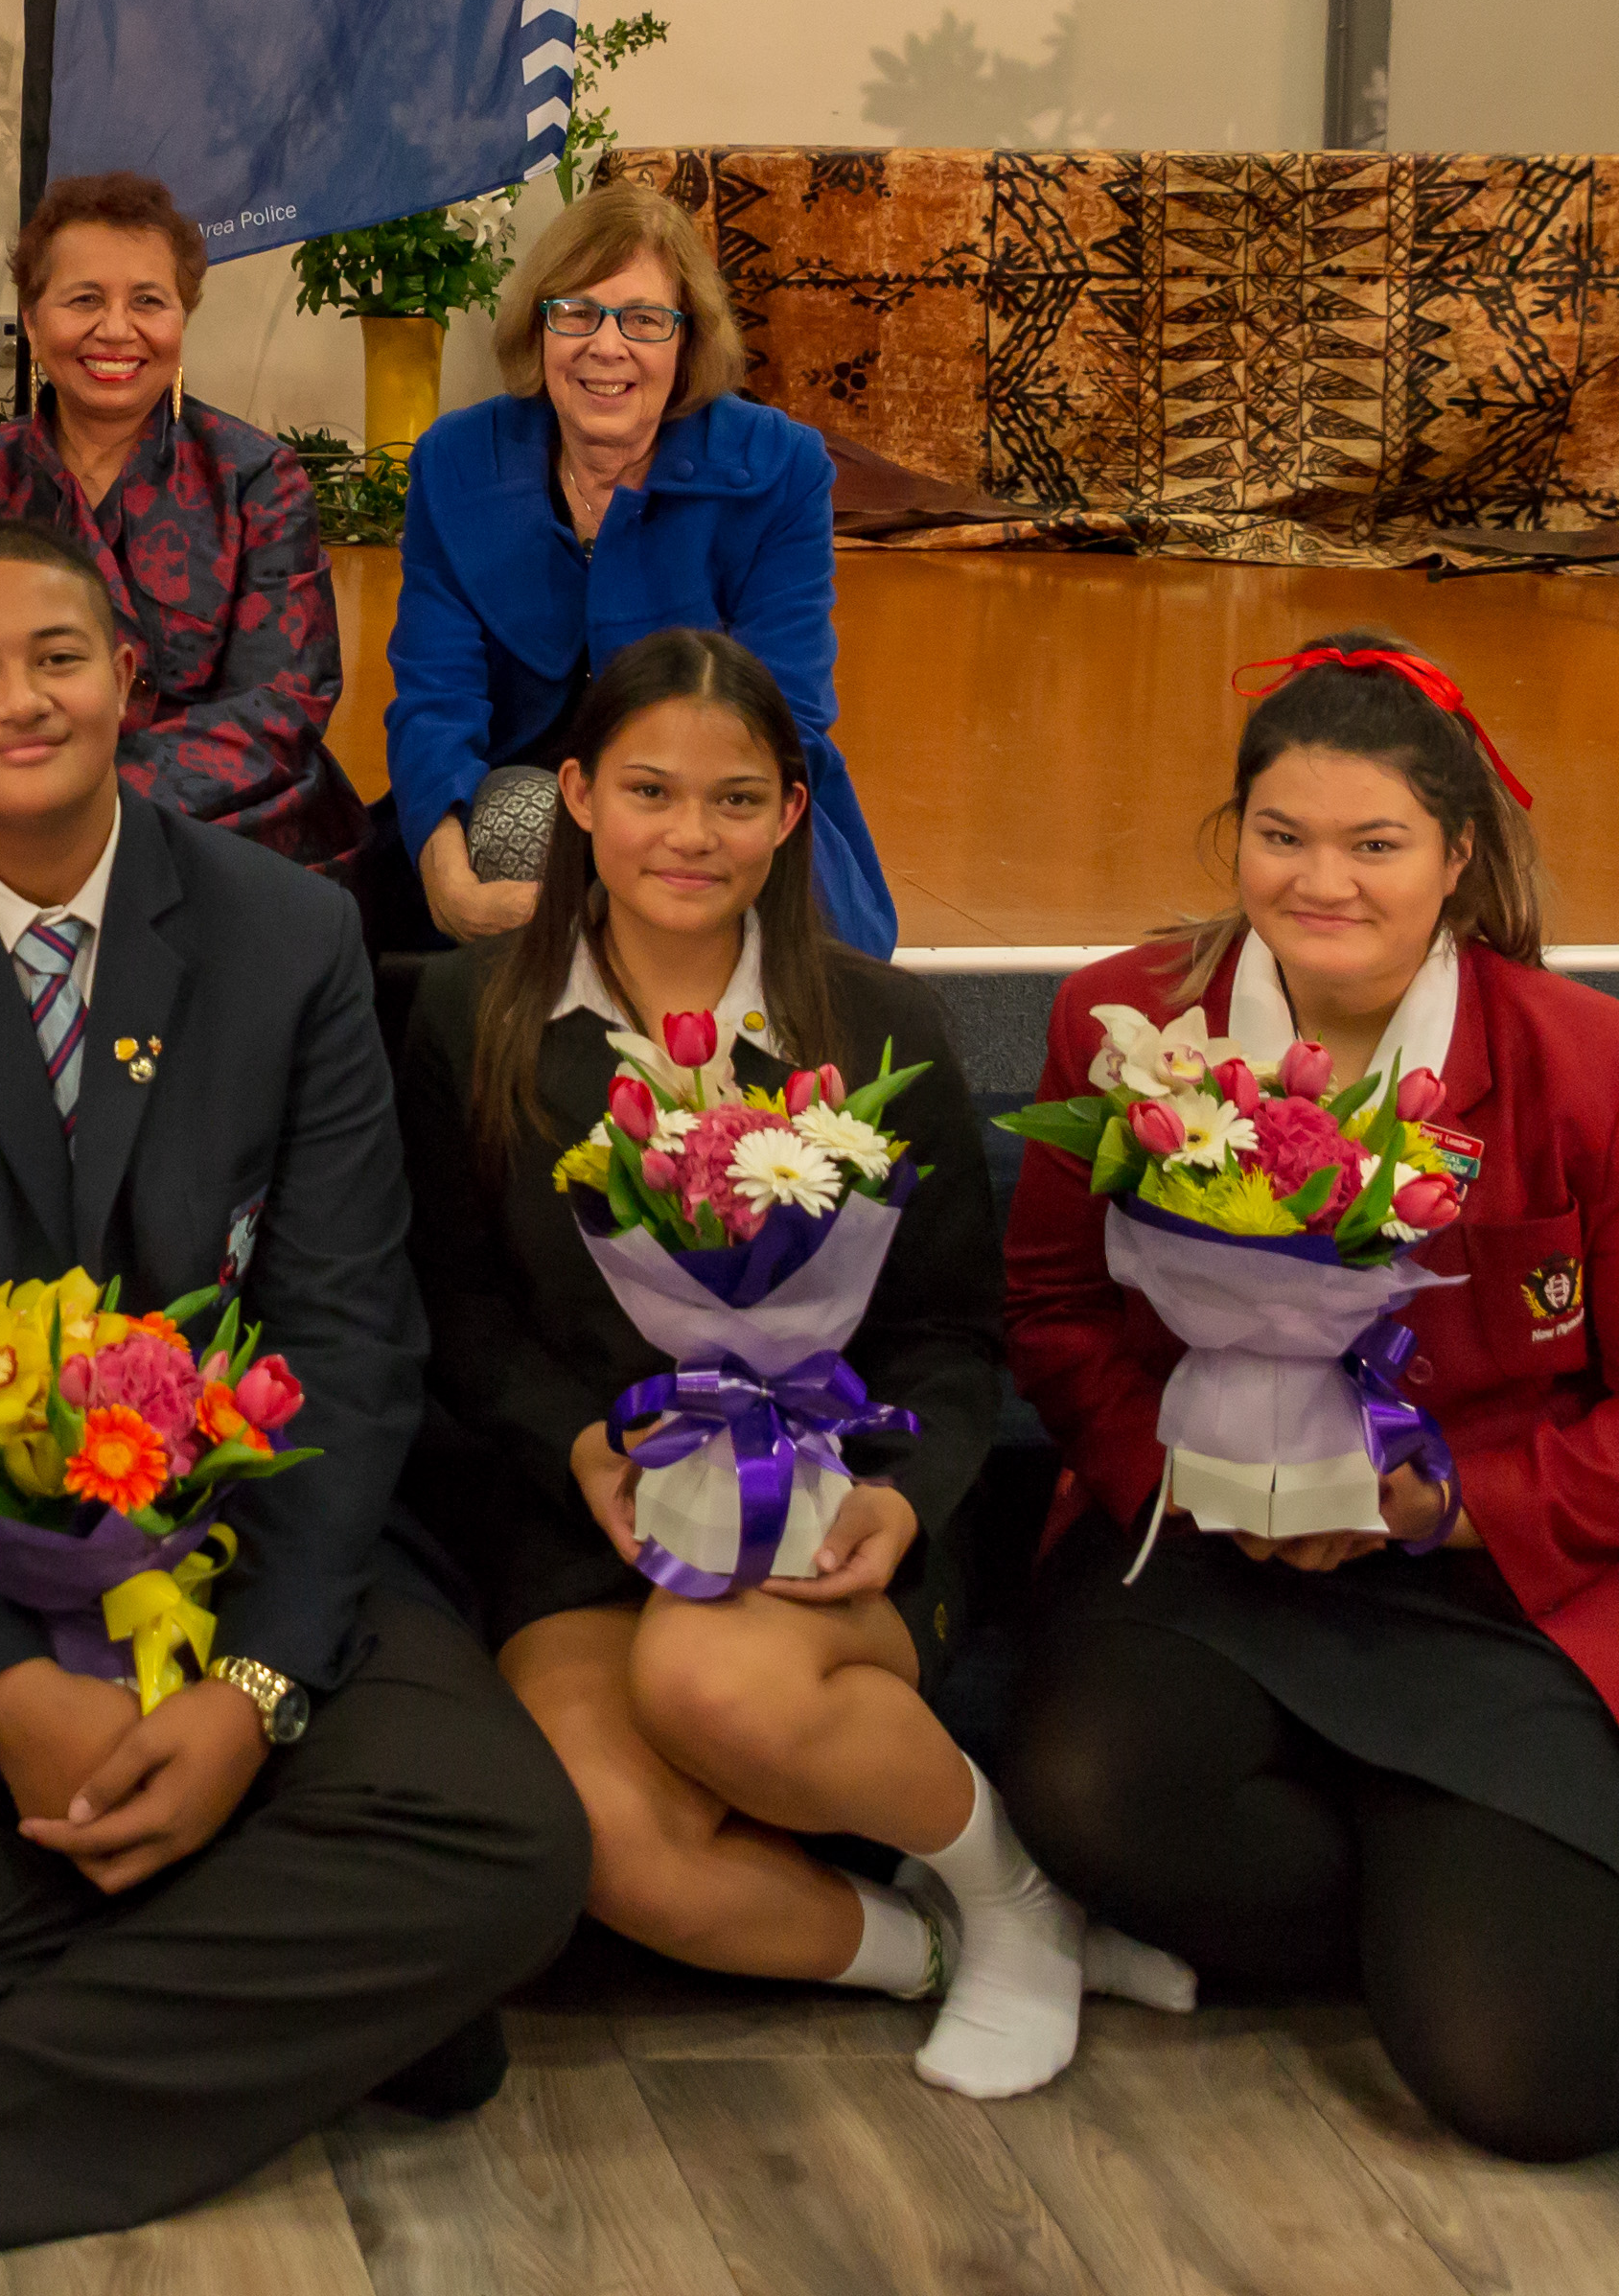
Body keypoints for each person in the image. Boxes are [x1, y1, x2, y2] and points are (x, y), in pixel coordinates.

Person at [0, 520, 582, 2252]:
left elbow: (349, 1337)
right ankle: (330, 2000)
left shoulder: (289, 938)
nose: (21, 699)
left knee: (511, 1843)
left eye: (59, 658)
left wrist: (255, 1695)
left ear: (129, 684)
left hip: (236, 1541)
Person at [995, 635, 1619, 2160]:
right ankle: (1428, 1913)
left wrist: (1446, 1505)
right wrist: (1183, 1479)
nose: (1322, 880)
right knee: (1081, 1784)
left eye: (1375, 844)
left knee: (1525, 2083)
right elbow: (1058, 1313)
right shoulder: (1131, 1025)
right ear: (1234, 837)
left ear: (1458, 856)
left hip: (1500, 1601)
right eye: (1282, 837)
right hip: (1210, 1565)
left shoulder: (1588, 1064)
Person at [399, 628, 1178, 2100]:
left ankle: (1009, 1893)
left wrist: (905, 1493)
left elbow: (954, 1327)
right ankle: (950, 1945)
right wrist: (574, 1443)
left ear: (792, 811)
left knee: (712, 1686)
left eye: (736, 799)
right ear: (573, 796)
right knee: (602, 1834)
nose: (691, 836)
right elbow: (460, 1309)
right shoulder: (472, 1018)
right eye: (648, 791)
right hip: (590, 1520)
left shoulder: (877, 1026)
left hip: (835, 1501)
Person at [386, 177, 892, 961]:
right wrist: (444, 869)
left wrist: (659, 826)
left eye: (644, 320)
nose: (606, 346)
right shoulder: (456, 461)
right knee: (507, 828)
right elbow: (435, 696)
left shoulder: (779, 466)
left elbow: (785, 710)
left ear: (687, 340)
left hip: (711, 801)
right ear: (539, 327)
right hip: (527, 802)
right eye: (576, 314)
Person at [0, 171, 354, 862]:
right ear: (31, 317)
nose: (116, 330)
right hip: (12, 811)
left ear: (182, 318)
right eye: (83, 300)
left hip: (217, 822)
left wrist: (92, 803)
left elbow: (282, 706)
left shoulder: (257, 480)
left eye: (148, 301)